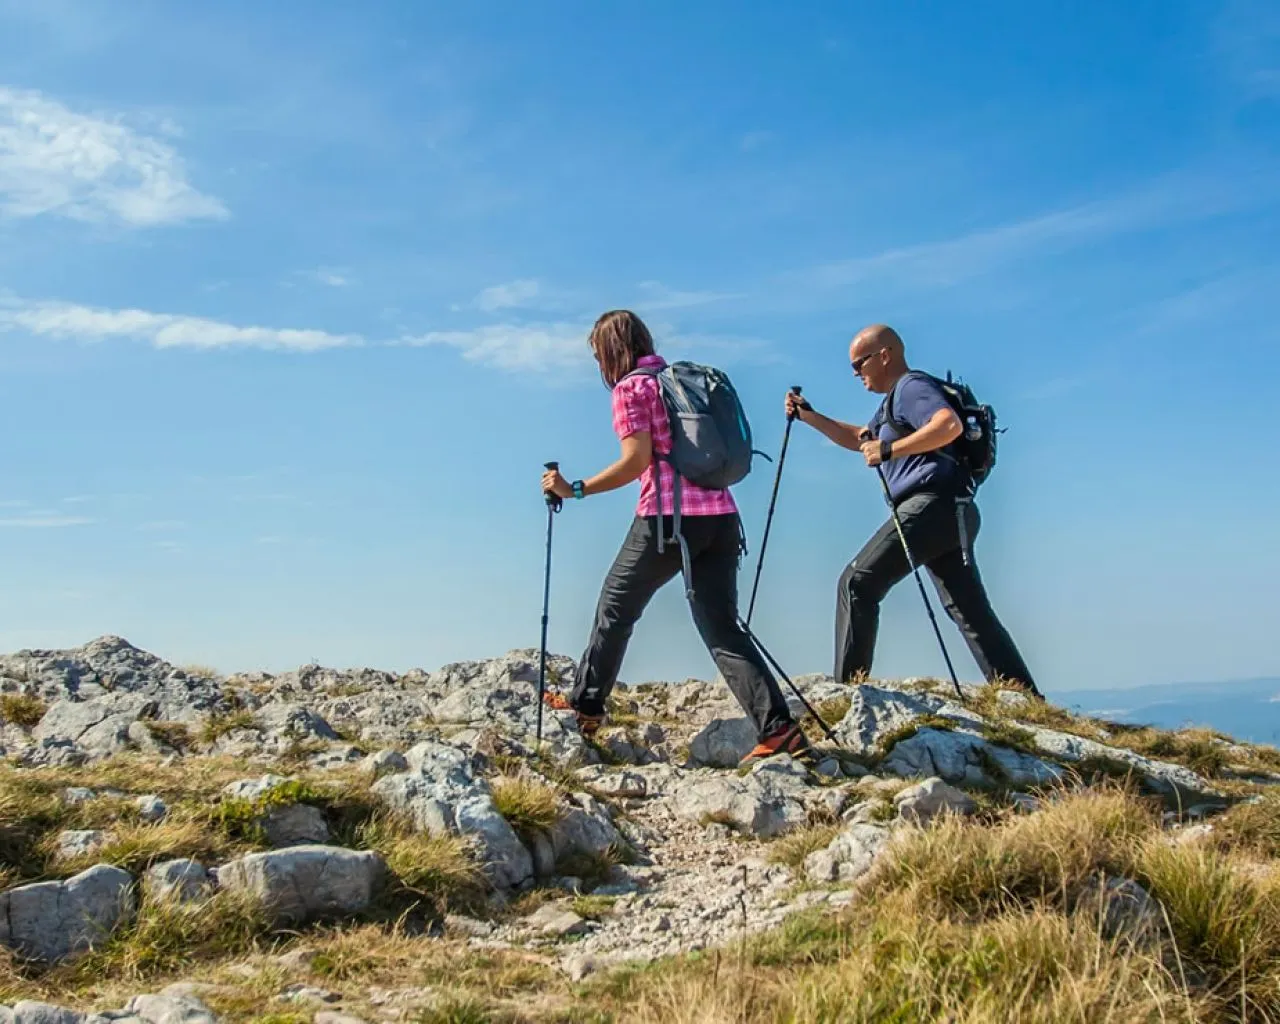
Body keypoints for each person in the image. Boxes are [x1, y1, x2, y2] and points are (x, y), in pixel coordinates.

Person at [540, 309, 813, 764]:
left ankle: (586, 707)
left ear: (610, 352)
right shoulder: (677, 381)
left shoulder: (633, 389)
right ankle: (779, 729)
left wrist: (577, 488)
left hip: (667, 520)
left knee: (615, 606)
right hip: (722, 518)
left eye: (597, 355)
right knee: (721, 625)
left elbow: (634, 461)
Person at [785, 323, 1041, 696]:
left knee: (857, 583)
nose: (855, 374)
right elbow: (861, 439)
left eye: (859, 364)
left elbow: (947, 425)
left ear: (885, 355)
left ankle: (849, 691)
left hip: (932, 506)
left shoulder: (911, 387)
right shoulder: (892, 404)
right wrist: (810, 416)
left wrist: (890, 451)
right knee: (970, 612)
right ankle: (1026, 697)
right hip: (954, 510)